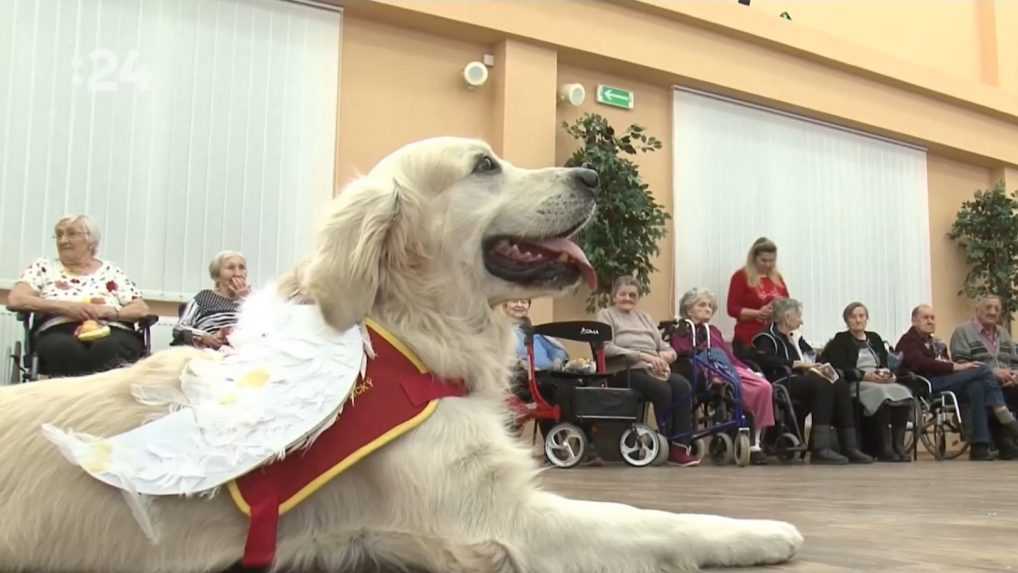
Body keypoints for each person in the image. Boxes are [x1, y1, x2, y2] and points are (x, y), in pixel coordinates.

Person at [8, 214, 150, 377]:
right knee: (65, 349)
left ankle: (103, 400)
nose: (63, 240)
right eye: (59, 234)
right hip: (58, 329)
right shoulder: (43, 267)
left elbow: (141, 309)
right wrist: (67, 307)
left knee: (109, 348)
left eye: (71, 234)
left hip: (111, 329)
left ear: (91, 241)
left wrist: (112, 313)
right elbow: (16, 299)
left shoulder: (112, 271)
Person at [752, 298, 872, 464]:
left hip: (803, 380)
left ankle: (849, 446)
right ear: (787, 318)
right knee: (822, 385)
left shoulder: (796, 338)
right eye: (798, 316)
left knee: (839, 384)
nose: (801, 321)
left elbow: (812, 356)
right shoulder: (766, 337)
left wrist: (820, 366)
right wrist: (795, 364)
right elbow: (765, 360)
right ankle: (819, 448)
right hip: (781, 381)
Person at [596, 276, 699, 466]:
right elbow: (606, 348)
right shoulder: (606, 315)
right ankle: (665, 443)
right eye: (623, 294)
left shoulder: (645, 317)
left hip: (654, 369)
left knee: (682, 386)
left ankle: (679, 446)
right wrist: (643, 356)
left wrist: (667, 356)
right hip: (623, 370)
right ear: (614, 296)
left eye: (632, 295)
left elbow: (665, 346)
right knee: (662, 390)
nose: (627, 298)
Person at [897, 304, 1018, 461]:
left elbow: (943, 363)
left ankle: (980, 446)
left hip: (944, 381)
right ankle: (1001, 411)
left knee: (977, 387)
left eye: (932, 318)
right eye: (925, 318)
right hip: (926, 384)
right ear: (914, 321)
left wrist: (951, 366)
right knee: (983, 370)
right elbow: (920, 363)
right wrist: (956, 366)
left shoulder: (936, 342)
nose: (930, 321)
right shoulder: (908, 341)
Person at [671, 288, 774, 464]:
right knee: (740, 388)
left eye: (710, 306)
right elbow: (681, 352)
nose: (708, 309)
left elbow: (730, 357)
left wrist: (749, 370)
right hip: (704, 370)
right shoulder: (682, 329)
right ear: (689, 309)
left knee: (765, 386)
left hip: (729, 368)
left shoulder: (714, 331)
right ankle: (748, 439)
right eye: (702, 305)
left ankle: (755, 442)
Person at [823, 302, 913, 462]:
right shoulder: (841, 339)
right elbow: (840, 367)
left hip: (879, 379)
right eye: (853, 317)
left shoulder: (875, 338)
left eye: (861, 316)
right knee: (882, 394)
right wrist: (864, 375)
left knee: (903, 392)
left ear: (867, 319)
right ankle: (885, 448)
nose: (858, 320)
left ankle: (898, 445)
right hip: (857, 382)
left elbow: (884, 362)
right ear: (846, 320)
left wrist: (888, 374)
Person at [948, 296, 1018, 459]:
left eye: (996, 309)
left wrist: (1014, 375)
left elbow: (1014, 361)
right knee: (984, 390)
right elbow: (962, 363)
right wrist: (993, 373)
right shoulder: (963, 332)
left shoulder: (1004, 333)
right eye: (988, 307)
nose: (992, 312)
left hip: (1006, 384)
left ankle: (1008, 441)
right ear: (977, 310)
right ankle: (1002, 441)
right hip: (977, 383)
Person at [173, 251, 251, 349]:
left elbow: (266, 332)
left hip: (244, 353)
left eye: (242, 268)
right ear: (217, 276)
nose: (238, 273)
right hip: (208, 353)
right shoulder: (204, 297)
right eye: (231, 268)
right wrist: (204, 336)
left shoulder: (254, 301)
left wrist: (247, 301)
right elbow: (179, 329)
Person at [727, 237, 789, 357]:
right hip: (749, 338)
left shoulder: (777, 278)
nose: (768, 264)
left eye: (772, 260)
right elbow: (732, 308)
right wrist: (758, 313)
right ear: (754, 258)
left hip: (775, 337)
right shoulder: (740, 277)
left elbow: (788, 304)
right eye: (764, 260)